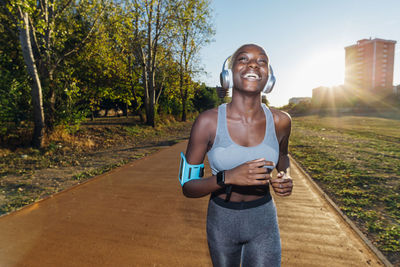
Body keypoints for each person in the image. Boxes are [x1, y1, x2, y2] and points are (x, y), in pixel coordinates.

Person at [180, 44, 293, 267]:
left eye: (262, 61)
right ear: (228, 76)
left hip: (263, 220)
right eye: (243, 59)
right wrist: (227, 177)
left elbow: (283, 156)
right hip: (222, 222)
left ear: (269, 78)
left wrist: (286, 175)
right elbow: (187, 187)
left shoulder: (281, 121)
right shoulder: (207, 122)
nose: (253, 64)